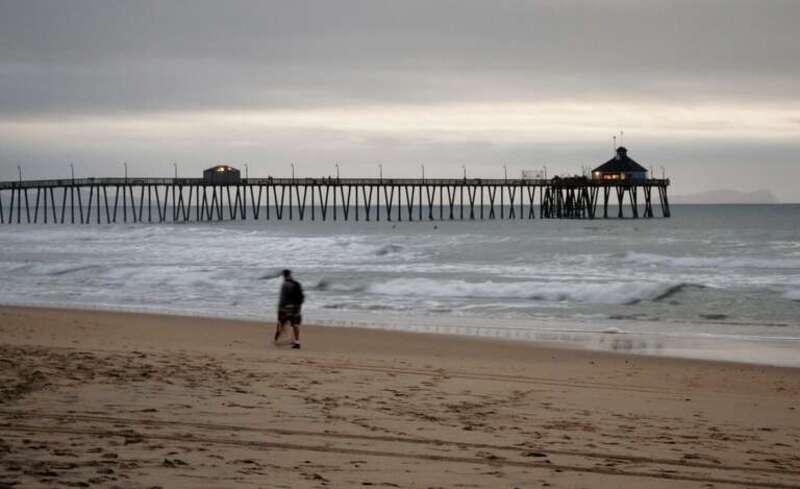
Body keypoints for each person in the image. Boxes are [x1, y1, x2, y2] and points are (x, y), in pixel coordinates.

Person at [275, 269, 304, 349]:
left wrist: (280, 308)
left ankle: (277, 340)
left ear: (283, 275)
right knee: (295, 324)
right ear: (290, 274)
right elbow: (301, 297)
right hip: (296, 307)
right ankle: (297, 341)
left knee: (282, 323)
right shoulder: (296, 283)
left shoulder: (285, 284)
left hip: (286, 307)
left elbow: (283, 298)